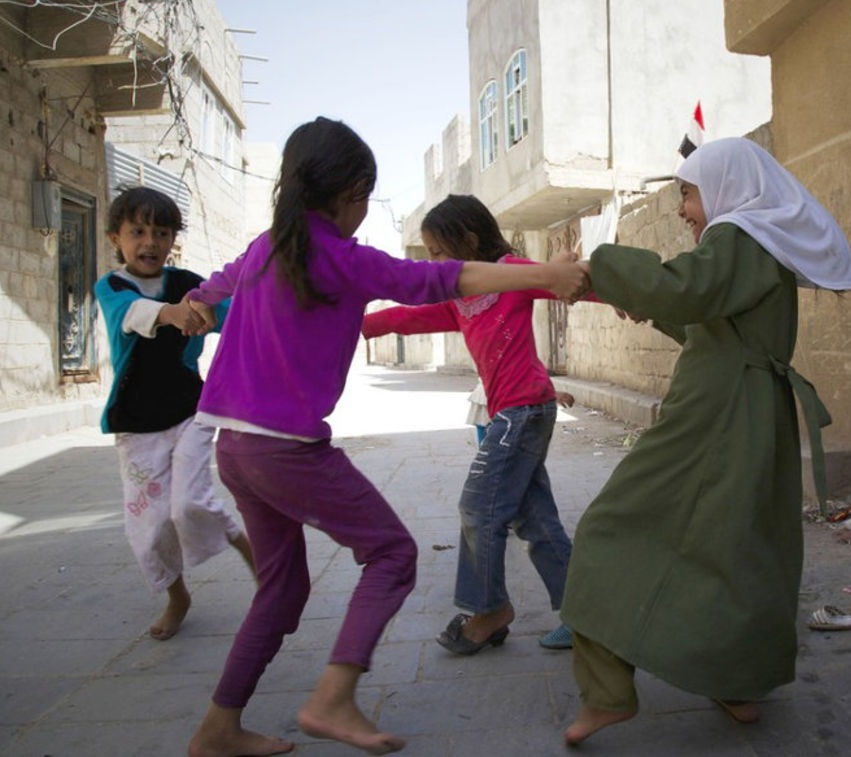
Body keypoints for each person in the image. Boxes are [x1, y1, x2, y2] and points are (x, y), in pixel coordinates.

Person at [183, 119, 589, 757]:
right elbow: (441, 284)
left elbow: (213, 288)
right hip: (286, 448)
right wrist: (543, 276)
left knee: (282, 588)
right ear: (353, 190)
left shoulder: (266, 247)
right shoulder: (341, 257)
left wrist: (191, 309)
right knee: (394, 555)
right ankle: (334, 698)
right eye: (365, 197)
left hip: (232, 449)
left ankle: (217, 729)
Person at [559, 137, 851, 744]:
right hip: (749, 413)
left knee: (608, 530)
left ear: (725, 188)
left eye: (689, 194)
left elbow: (686, 292)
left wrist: (602, 268)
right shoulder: (760, 243)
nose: (684, 209)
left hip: (714, 417)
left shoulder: (740, 236)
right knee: (739, 547)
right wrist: (644, 304)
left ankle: (609, 692)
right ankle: (738, 682)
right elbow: (717, 323)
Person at [362, 194, 582, 656]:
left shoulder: (514, 273)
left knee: (479, 508)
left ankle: (488, 611)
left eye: (439, 253)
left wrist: (627, 298)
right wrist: (355, 325)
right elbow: (408, 317)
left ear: (468, 240)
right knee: (535, 519)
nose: (435, 264)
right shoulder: (461, 296)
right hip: (513, 413)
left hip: (524, 411)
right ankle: (587, 616)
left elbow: (568, 282)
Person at [95, 186, 255, 642]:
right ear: (116, 238)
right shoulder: (112, 287)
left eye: (161, 232)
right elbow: (134, 314)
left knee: (190, 503)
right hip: (136, 423)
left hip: (191, 413)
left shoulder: (190, 283)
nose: (149, 242)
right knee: (151, 525)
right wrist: (178, 313)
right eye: (138, 232)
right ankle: (177, 595)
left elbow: (233, 314)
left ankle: (260, 567)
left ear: (172, 240)